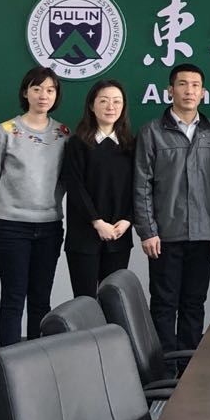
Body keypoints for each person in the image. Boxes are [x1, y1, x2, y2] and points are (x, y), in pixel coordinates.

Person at [133, 63, 210, 352]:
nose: (189, 90)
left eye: (195, 85)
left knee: (194, 303)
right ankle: (163, 368)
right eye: (182, 84)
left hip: (203, 234)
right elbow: (142, 184)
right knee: (164, 303)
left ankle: (189, 366)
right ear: (170, 90)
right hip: (165, 234)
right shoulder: (151, 131)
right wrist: (147, 231)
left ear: (203, 92)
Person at [0, 66, 68, 346]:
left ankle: (37, 360)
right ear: (25, 92)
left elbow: (66, 179)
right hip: (12, 228)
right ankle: (8, 363)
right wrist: (10, 209)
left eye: (50, 90)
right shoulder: (4, 132)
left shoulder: (64, 134)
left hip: (50, 227)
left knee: (41, 300)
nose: (43, 95)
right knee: (13, 298)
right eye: (37, 88)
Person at [62, 79, 134, 300]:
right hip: (84, 236)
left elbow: (139, 187)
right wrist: (97, 222)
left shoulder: (130, 145)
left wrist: (128, 220)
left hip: (119, 235)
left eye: (117, 101)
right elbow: (75, 186)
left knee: (114, 301)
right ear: (92, 106)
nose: (111, 107)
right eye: (103, 101)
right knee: (85, 302)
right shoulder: (77, 144)